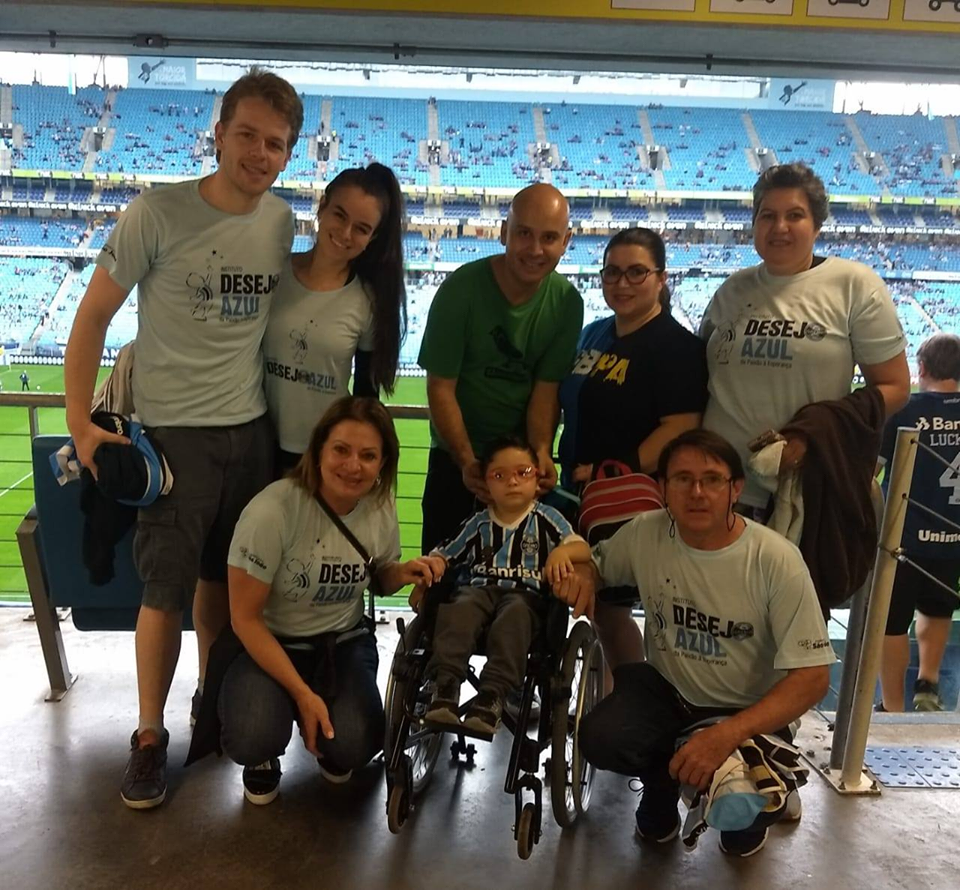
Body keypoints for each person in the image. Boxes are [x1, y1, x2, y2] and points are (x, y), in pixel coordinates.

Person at [63, 68, 304, 809]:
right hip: (172, 440)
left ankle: (215, 708)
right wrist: (83, 428)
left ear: (288, 153)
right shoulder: (157, 213)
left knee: (227, 592)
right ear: (219, 132)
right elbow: (92, 318)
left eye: (276, 144)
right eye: (248, 136)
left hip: (251, 434)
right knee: (163, 593)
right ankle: (146, 737)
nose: (260, 154)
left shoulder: (281, 221)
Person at [576, 429, 834, 857]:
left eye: (712, 480)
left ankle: (749, 816)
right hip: (669, 695)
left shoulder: (776, 559)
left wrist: (727, 735)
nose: (697, 492)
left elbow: (812, 678)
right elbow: (598, 567)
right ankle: (660, 790)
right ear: (662, 488)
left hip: (745, 711)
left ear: (735, 489)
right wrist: (583, 575)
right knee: (602, 736)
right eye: (682, 479)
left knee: (743, 823)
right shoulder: (646, 532)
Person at [212, 397, 442, 804]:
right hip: (273, 642)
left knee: (356, 744)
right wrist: (302, 693)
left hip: (342, 642)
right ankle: (266, 752)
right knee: (252, 734)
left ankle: (331, 731)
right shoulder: (272, 511)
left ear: (382, 463)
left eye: (368, 456)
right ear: (318, 450)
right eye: (341, 450)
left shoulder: (379, 506)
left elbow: (379, 579)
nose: (353, 466)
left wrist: (402, 572)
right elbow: (245, 619)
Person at [700, 162, 910, 513]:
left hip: (802, 490)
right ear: (754, 223)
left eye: (794, 215)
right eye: (767, 215)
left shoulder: (854, 285)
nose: (779, 227)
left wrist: (812, 436)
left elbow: (895, 387)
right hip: (718, 487)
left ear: (816, 226)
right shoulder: (732, 289)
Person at [559, 227, 707, 680]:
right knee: (583, 595)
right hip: (574, 493)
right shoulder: (592, 335)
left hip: (624, 499)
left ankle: (631, 691)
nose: (622, 283)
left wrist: (611, 469)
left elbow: (680, 428)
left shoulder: (677, 347)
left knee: (610, 603)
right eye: (612, 272)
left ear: (661, 278)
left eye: (637, 272)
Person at [417, 183, 583, 554]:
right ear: (504, 231)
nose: (536, 249)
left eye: (549, 237)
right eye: (524, 233)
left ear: (566, 241)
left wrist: (540, 450)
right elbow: (441, 387)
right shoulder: (461, 288)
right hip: (455, 459)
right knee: (440, 577)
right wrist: (467, 461)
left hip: (519, 465)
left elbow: (545, 389)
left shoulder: (567, 302)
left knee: (519, 581)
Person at [413, 436, 590, 734]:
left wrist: (561, 551)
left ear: (537, 480)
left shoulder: (547, 519)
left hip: (525, 597)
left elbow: (582, 548)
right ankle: (445, 686)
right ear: (486, 485)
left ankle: (493, 694)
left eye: (523, 473)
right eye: (499, 475)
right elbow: (446, 553)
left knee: (514, 615)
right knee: (460, 607)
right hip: (479, 591)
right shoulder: (478, 523)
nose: (512, 482)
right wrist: (428, 575)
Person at [263, 163, 407, 471]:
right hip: (253, 449)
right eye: (340, 215)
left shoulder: (367, 302)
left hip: (322, 461)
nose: (345, 234)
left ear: (373, 236)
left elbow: (366, 397)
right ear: (322, 206)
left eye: (362, 228)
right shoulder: (271, 273)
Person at [879, 333, 960, 712]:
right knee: (938, 607)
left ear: (921, 368)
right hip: (954, 537)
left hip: (903, 540)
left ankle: (893, 708)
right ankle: (927, 683)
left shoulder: (904, 409)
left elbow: (871, 471)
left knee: (891, 623)